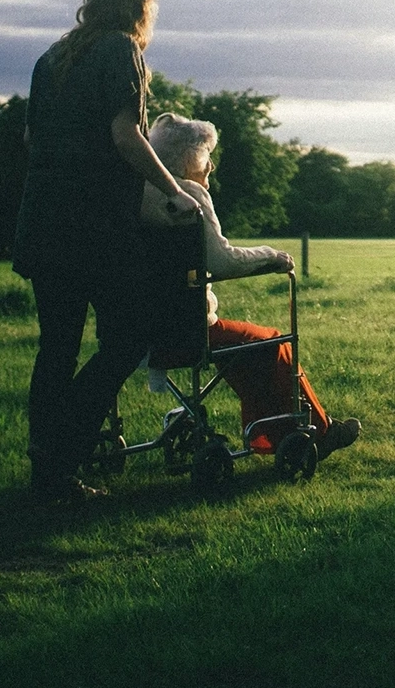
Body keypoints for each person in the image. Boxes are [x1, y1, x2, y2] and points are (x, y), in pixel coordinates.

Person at [13, 0, 200, 500]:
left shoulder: (52, 57)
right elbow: (126, 135)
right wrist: (174, 189)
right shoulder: (122, 51)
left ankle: (47, 469)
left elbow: (32, 138)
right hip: (93, 227)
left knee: (58, 347)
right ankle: (62, 450)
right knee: (128, 338)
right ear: (140, 3)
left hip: (43, 220)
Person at [139, 113, 360, 459]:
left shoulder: (139, 193)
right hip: (188, 330)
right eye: (205, 155)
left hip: (142, 330)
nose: (211, 165)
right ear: (186, 159)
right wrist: (271, 256)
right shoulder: (188, 195)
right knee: (271, 342)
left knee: (246, 348)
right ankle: (318, 431)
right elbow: (223, 262)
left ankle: (271, 435)